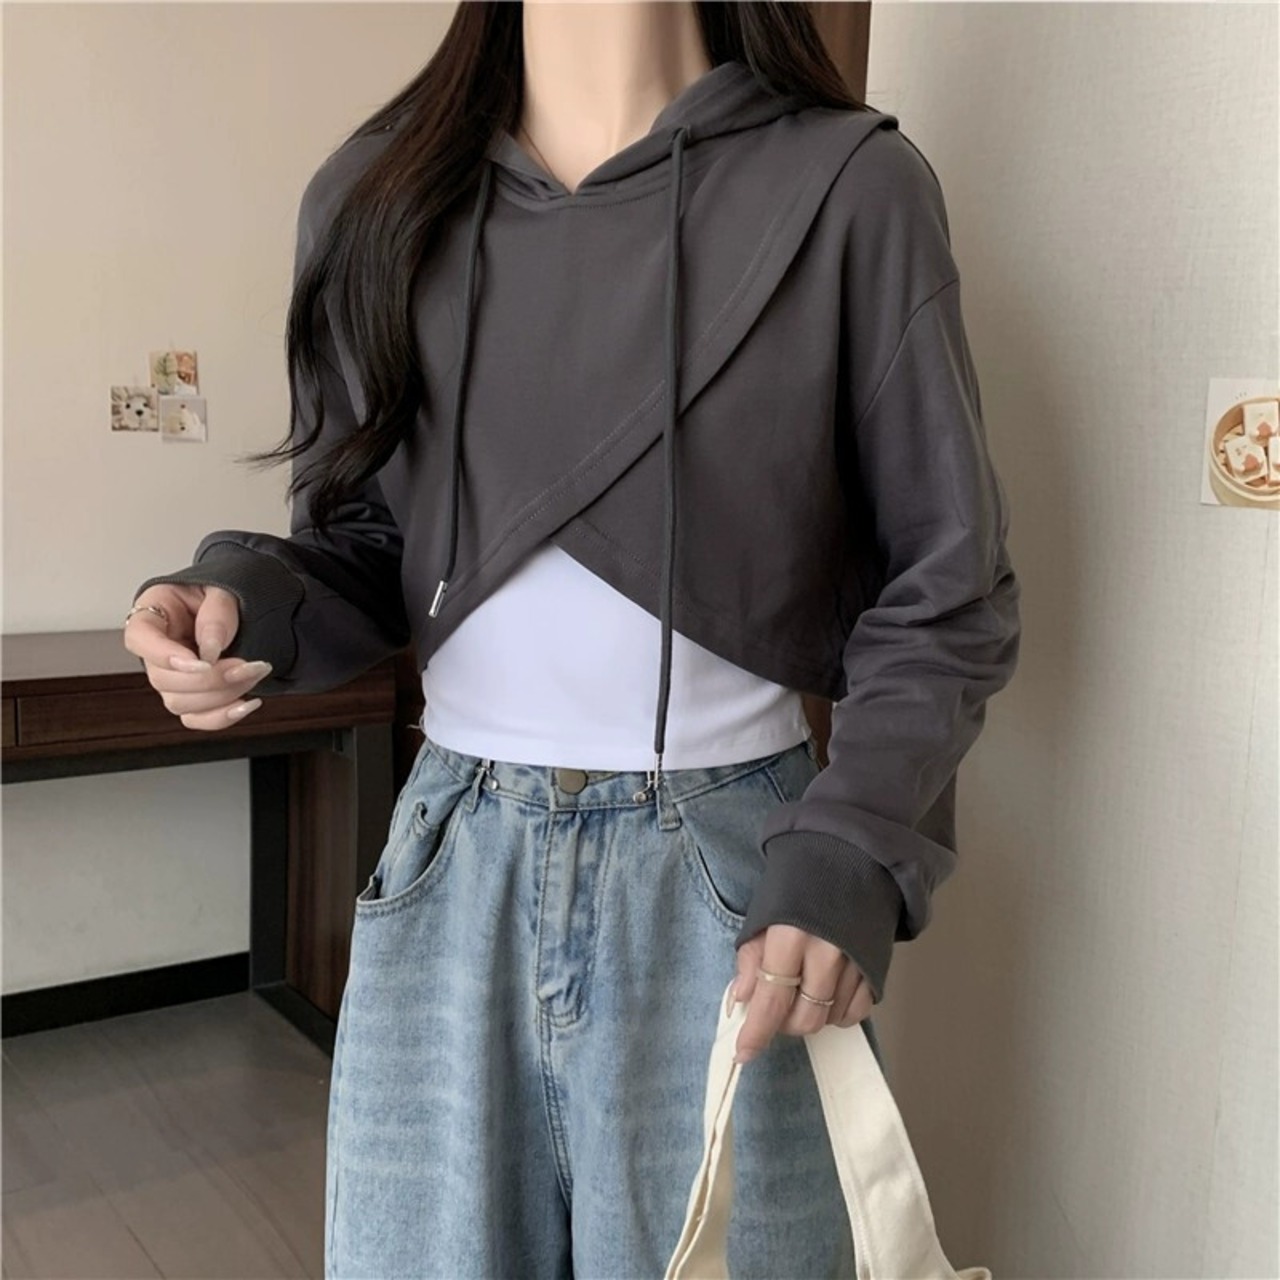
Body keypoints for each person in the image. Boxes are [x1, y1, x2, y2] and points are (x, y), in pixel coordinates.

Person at [123, 3, 1022, 1276]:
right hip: (453, 863)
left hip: (729, 868)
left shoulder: (847, 187)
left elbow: (947, 580)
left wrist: (854, 843)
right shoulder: (379, 196)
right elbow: (368, 542)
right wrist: (237, 601)